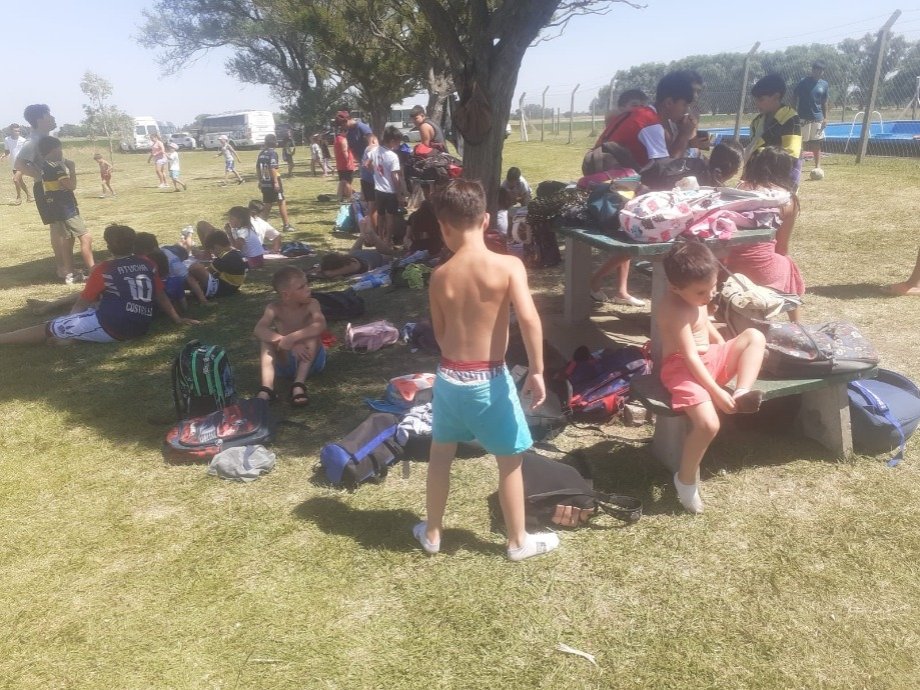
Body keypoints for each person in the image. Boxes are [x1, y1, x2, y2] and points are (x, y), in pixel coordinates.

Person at [414, 178, 559, 561]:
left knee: (440, 454)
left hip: (449, 379)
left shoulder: (440, 276)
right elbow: (529, 319)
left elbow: (441, 335)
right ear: (485, 220)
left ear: (443, 227)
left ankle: (432, 532)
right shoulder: (508, 266)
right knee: (509, 462)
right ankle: (517, 541)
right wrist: (537, 370)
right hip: (489, 380)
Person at [658, 240, 766, 514]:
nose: (709, 295)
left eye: (714, 287)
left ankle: (742, 391)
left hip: (708, 360)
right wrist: (717, 393)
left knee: (754, 336)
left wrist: (724, 346)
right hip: (683, 369)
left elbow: (705, 324)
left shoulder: (694, 296)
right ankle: (685, 480)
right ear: (674, 288)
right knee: (708, 424)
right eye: (702, 292)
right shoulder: (674, 309)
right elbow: (689, 357)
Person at [589, 72, 698, 306]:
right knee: (654, 226)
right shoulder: (651, 124)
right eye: (684, 104)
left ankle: (614, 288)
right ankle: (669, 297)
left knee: (637, 228)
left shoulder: (639, 114)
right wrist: (685, 135)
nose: (686, 110)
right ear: (669, 102)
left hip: (607, 184)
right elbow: (667, 169)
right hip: (615, 189)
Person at [0, 224, 198, 346]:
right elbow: (160, 295)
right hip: (141, 324)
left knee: (49, 327)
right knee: (87, 316)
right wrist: (177, 318)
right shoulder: (147, 263)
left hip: (115, 327)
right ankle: (70, 338)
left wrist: (68, 326)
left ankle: (6, 338)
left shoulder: (104, 269)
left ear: (109, 246)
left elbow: (81, 303)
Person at [727, 146, 804, 320]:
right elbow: (782, 247)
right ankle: (796, 323)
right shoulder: (787, 200)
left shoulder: (740, 189)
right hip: (760, 267)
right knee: (788, 263)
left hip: (728, 263)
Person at [254, 266, 328, 407]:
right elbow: (259, 329)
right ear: (286, 294)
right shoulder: (273, 308)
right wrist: (286, 341)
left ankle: (298, 385)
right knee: (266, 340)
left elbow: (320, 324)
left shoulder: (312, 304)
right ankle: (267, 389)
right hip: (285, 363)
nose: (308, 289)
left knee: (311, 335)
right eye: (301, 287)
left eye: (307, 284)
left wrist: (293, 337)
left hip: (311, 362)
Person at [37, 136, 95, 284]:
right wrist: (72, 169)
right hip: (65, 208)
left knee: (68, 239)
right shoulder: (56, 167)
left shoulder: (43, 165)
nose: (61, 152)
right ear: (53, 150)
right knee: (86, 237)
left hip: (55, 208)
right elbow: (71, 186)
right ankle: (93, 272)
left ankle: (70, 273)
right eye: (60, 149)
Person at [744, 74, 802, 188]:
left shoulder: (790, 118)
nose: (757, 104)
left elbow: (791, 155)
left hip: (782, 179)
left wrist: (761, 155)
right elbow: (752, 150)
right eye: (756, 100)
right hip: (756, 178)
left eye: (761, 99)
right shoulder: (756, 122)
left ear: (776, 96)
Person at [369, 126, 405, 246]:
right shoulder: (392, 156)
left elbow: (367, 164)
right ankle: (388, 240)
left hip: (378, 189)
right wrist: (399, 194)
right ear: (392, 141)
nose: (399, 144)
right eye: (398, 142)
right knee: (390, 217)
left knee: (380, 215)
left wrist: (375, 173)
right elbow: (395, 177)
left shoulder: (374, 151)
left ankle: (380, 237)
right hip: (390, 191)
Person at [186, 229, 247, 299]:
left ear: (217, 247)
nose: (213, 254)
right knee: (193, 275)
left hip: (222, 289)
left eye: (212, 251)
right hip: (232, 286)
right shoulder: (236, 252)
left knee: (195, 267)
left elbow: (209, 271)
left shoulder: (225, 257)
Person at [793, 61, 829, 175]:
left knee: (816, 143)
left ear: (823, 72)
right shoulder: (803, 82)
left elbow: (824, 102)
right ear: (812, 70)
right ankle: (798, 166)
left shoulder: (824, 84)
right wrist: (793, 112)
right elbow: (794, 96)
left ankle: (817, 166)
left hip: (818, 118)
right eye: (816, 70)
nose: (818, 72)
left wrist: (825, 118)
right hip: (803, 117)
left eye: (821, 70)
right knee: (800, 143)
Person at [257, 133, 294, 231]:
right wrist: (276, 182)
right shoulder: (272, 153)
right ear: (275, 143)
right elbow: (272, 168)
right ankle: (286, 225)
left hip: (265, 182)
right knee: (281, 201)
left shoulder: (261, 153)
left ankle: (259, 226)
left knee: (267, 204)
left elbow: (258, 168)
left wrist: (260, 181)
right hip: (272, 182)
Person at [338, 110, 375, 204]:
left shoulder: (362, 127)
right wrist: (360, 161)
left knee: (372, 184)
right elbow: (353, 149)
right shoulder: (349, 133)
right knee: (365, 182)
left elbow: (373, 143)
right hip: (363, 162)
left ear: (347, 120)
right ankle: (364, 202)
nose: (342, 127)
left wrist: (369, 160)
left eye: (342, 124)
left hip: (372, 161)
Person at [2, 123, 32, 204]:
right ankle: (29, 196)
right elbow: (7, 151)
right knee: (20, 181)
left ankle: (18, 198)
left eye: (18, 131)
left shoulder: (23, 140)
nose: (17, 132)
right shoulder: (7, 139)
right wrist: (3, 155)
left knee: (15, 180)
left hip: (22, 164)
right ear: (11, 131)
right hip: (13, 164)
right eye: (15, 131)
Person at [315, 248, 390, 278]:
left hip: (376, 260)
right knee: (353, 251)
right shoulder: (347, 260)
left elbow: (329, 274)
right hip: (362, 256)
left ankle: (364, 234)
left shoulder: (349, 266)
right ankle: (363, 235)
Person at [334, 125, 356, 202]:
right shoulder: (344, 139)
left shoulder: (337, 139)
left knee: (342, 181)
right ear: (344, 131)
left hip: (340, 164)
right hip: (346, 165)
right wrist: (349, 162)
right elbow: (344, 151)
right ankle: (350, 198)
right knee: (348, 182)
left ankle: (339, 197)